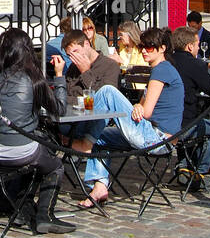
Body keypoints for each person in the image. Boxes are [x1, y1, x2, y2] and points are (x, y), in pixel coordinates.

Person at [71, 26, 182, 207]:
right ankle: (99, 185)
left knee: (107, 91)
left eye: (150, 47)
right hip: (153, 134)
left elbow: (147, 112)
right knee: (101, 135)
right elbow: (143, 105)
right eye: (142, 47)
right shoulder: (160, 70)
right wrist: (138, 105)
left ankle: (82, 140)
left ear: (162, 48)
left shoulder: (162, 70)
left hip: (158, 139)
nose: (144, 51)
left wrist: (140, 107)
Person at [0, 28, 75, 234]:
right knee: (54, 166)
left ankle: (22, 209)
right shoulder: (33, 78)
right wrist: (60, 76)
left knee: (35, 162)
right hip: (23, 148)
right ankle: (45, 215)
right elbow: (59, 110)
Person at [170, 25, 210, 173]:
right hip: (184, 125)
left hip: (164, 124)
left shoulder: (166, 62)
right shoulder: (195, 64)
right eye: (197, 45)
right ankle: (201, 172)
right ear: (190, 46)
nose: (198, 49)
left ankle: (183, 164)